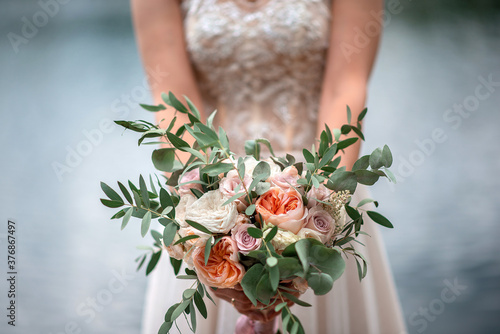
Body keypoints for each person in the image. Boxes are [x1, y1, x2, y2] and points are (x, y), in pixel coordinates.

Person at [131, 0, 407, 333]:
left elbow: (344, 88)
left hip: (321, 182)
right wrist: (207, 234)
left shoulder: (323, 203)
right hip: (214, 194)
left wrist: (322, 216)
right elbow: (172, 102)